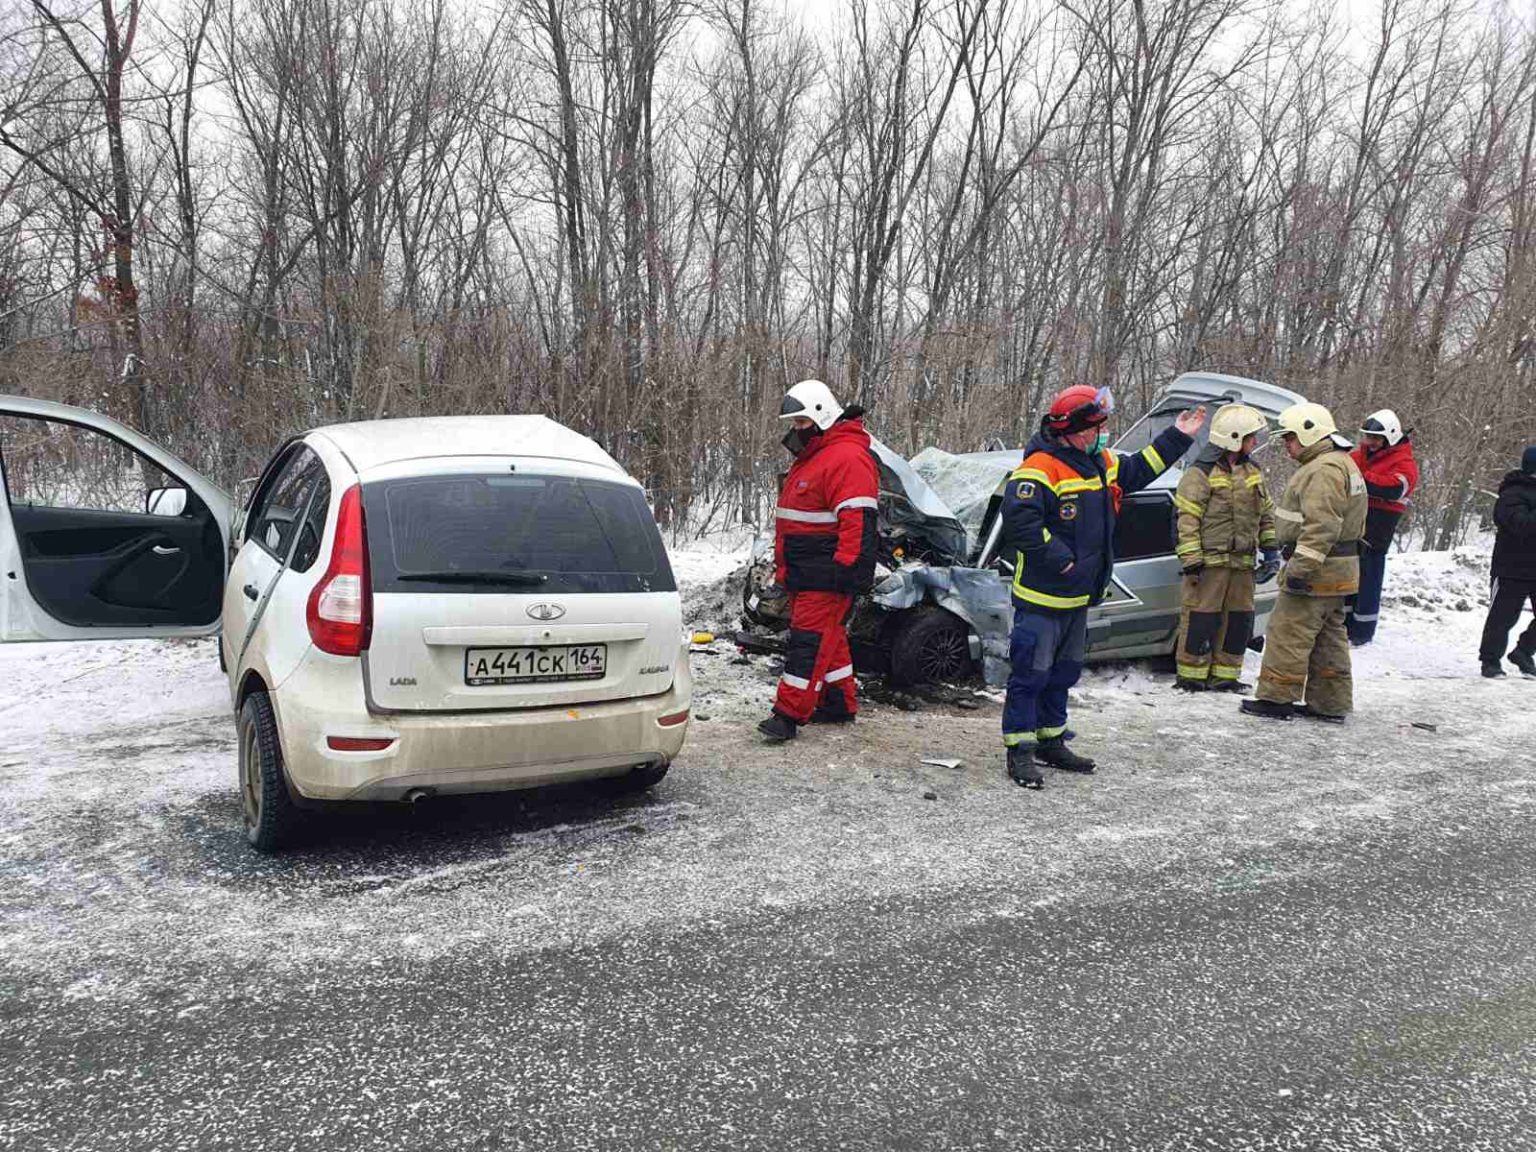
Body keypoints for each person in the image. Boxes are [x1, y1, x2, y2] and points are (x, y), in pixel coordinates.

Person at [1000, 385, 1206, 788]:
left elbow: (1139, 469)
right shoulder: (1039, 468)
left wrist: (1178, 435)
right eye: (1095, 429)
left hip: (1078, 596)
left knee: (1063, 673)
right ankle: (1020, 752)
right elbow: (1022, 525)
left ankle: (1050, 740)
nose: (1101, 435)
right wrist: (1063, 560)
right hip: (1044, 598)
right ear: (1072, 431)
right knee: (1031, 675)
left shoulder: (1098, 463)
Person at [757, 379, 881, 743]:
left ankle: (788, 715)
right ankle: (839, 702)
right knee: (831, 638)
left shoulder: (846, 458)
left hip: (827, 574)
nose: (795, 432)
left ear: (820, 417)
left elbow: (858, 522)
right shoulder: (817, 456)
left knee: (807, 643)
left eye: (799, 423)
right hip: (806, 571)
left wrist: (847, 572)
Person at [1240, 403, 1368, 723]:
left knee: (1288, 632)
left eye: (1290, 439)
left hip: (1318, 571)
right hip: (1338, 571)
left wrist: (1299, 569)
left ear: (1310, 432)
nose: (1286, 445)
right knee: (1329, 639)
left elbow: (1322, 526)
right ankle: (1329, 702)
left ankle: (1276, 698)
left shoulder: (1322, 470)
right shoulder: (1340, 463)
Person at [1171, 404, 1279, 693]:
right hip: (1210, 564)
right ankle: (1191, 677)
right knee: (1200, 620)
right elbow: (1187, 518)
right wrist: (1192, 558)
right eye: (1250, 437)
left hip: (1243, 565)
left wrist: (1270, 548)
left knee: (1238, 622)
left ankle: (1225, 677)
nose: (1254, 442)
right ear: (1234, 438)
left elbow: (1265, 513)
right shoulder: (1201, 472)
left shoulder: (1252, 470)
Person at [1346, 409, 1419, 646]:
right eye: (1367, 437)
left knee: (1369, 576)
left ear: (1390, 437)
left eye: (1375, 438)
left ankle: (1362, 631)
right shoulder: (1361, 455)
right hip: (1355, 519)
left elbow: (1394, 488)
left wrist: (1361, 479)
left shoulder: (1404, 462)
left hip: (1379, 525)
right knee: (1348, 573)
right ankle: (1342, 624)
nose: (1370, 442)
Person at [1479, 446, 1536, 678]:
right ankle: (1490, 661)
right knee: (1502, 618)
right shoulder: (1512, 493)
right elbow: (1520, 525)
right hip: (1511, 568)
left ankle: (1523, 651)